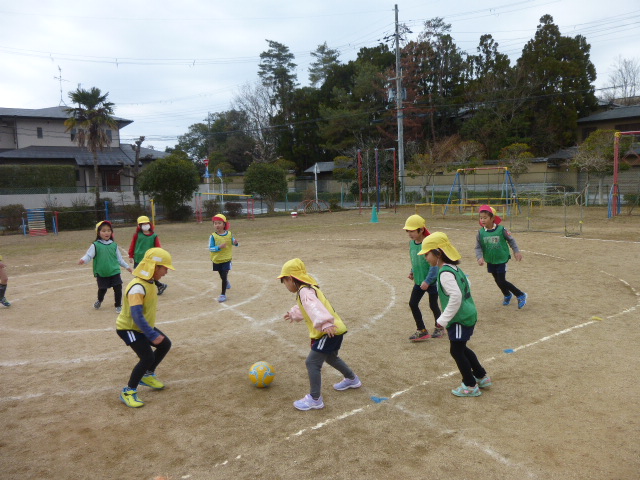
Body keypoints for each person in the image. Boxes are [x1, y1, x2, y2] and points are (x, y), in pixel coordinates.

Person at [278, 258, 361, 411]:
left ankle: (315, 399)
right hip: (334, 330)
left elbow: (314, 306)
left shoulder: (304, 291)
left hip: (328, 331)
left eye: (284, 281)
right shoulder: (306, 289)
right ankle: (352, 379)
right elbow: (307, 307)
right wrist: (294, 313)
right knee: (331, 357)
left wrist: (325, 323)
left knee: (312, 362)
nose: (285, 285)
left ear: (290, 278)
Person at [419, 232, 492, 397]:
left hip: (460, 318)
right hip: (467, 314)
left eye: (427, 254)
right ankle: (481, 376)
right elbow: (467, 283)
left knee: (457, 351)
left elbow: (456, 296)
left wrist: (443, 320)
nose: (425, 258)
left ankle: (470, 385)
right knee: (461, 347)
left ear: (438, 253)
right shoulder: (453, 268)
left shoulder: (445, 273)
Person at [116, 247, 174, 408]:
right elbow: (137, 315)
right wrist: (151, 334)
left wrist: (149, 332)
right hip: (129, 329)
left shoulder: (150, 283)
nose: (166, 273)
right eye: (164, 268)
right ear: (154, 267)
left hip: (142, 328)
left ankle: (147, 375)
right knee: (147, 357)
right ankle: (128, 391)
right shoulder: (137, 288)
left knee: (165, 344)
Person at [475, 205, 527, 309]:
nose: (482, 220)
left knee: (501, 280)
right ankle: (507, 295)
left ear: (492, 218)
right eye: (481, 217)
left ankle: (520, 294)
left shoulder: (501, 230)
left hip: (501, 259)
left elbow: (511, 240)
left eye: (485, 217)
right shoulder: (480, 233)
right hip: (490, 260)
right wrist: (479, 257)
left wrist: (516, 251)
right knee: (497, 280)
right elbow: (478, 247)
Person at [403, 214, 443, 341]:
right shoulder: (412, 244)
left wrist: (428, 281)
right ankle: (421, 330)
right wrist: (412, 271)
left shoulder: (429, 243)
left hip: (431, 282)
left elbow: (434, 265)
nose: (410, 233)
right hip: (419, 281)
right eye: (408, 231)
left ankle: (440, 327)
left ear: (421, 229)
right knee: (413, 303)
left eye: (412, 231)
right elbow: (415, 260)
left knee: (433, 305)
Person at [79, 220, 133, 313]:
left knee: (118, 288)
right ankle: (99, 301)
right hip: (102, 272)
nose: (106, 232)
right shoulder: (95, 245)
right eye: (103, 231)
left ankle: (118, 305)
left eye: (108, 230)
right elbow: (89, 255)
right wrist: (84, 260)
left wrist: (127, 267)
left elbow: (119, 259)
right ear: (98, 232)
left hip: (114, 271)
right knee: (102, 289)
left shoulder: (114, 245)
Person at [128, 215, 168, 295]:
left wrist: (160, 257)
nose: (145, 226)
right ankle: (159, 286)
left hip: (149, 259)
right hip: (138, 258)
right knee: (138, 274)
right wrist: (131, 255)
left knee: (148, 275)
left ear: (149, 224)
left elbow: (158, 247)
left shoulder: (154, 236)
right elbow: (133, 245)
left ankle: (158, 286)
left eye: (146, 224)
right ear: (139, 226)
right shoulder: (137, 235)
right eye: (143, 224)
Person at [209, 214, 239, 303]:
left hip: (227, 259)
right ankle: (226, 282)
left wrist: (236, 243)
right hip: (217, 260)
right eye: (215, 223)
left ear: (224, 224)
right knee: (222, 276)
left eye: (219, 223)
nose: (217, 225)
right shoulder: (213, 236)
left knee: (224, 275)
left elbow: (234, 243)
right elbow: (211, 248)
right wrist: (219, 247)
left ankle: (223, 294)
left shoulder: (229, 234)